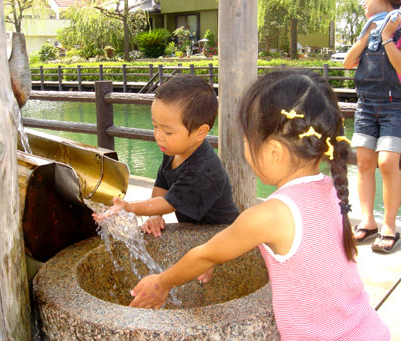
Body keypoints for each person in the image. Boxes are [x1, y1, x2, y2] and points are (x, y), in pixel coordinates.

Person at [129, 70, 390, 340]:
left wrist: (161, 282)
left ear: (273, 151)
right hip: (369, 329)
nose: (244, 147)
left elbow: (205, 255)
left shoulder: (271, 215)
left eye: (246, 139)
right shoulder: (331, 189)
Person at [93, 74, 239, 245]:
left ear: (200, 132)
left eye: (168, 132)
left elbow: (168, 203)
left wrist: (130, 207)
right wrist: (155, 215)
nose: (158, 136)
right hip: (196, 231)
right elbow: (162, 184)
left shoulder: (204, 170)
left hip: (225, 236)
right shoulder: (173, 149)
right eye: (155, 126)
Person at [343, 0, 401, 253]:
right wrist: (368, 34)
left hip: (395, 106)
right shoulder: (367, 28)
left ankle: (389, 225)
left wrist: (387, 37)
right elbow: (347, 63)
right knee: (365, 162)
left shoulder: (398, 26)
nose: (364, 2)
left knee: (388, 162)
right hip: (366, 105)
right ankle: (368, 221)